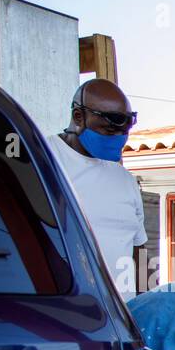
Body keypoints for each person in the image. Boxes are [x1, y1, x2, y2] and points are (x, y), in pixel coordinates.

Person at [48, 80, 148, 299]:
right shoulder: (43, 160)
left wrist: (144, 305)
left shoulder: (126, 181)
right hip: (69, 317)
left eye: (124, 132)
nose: (118, 139)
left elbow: (138, 250)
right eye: (109, 129)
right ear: (78, 117)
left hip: (123, 321)